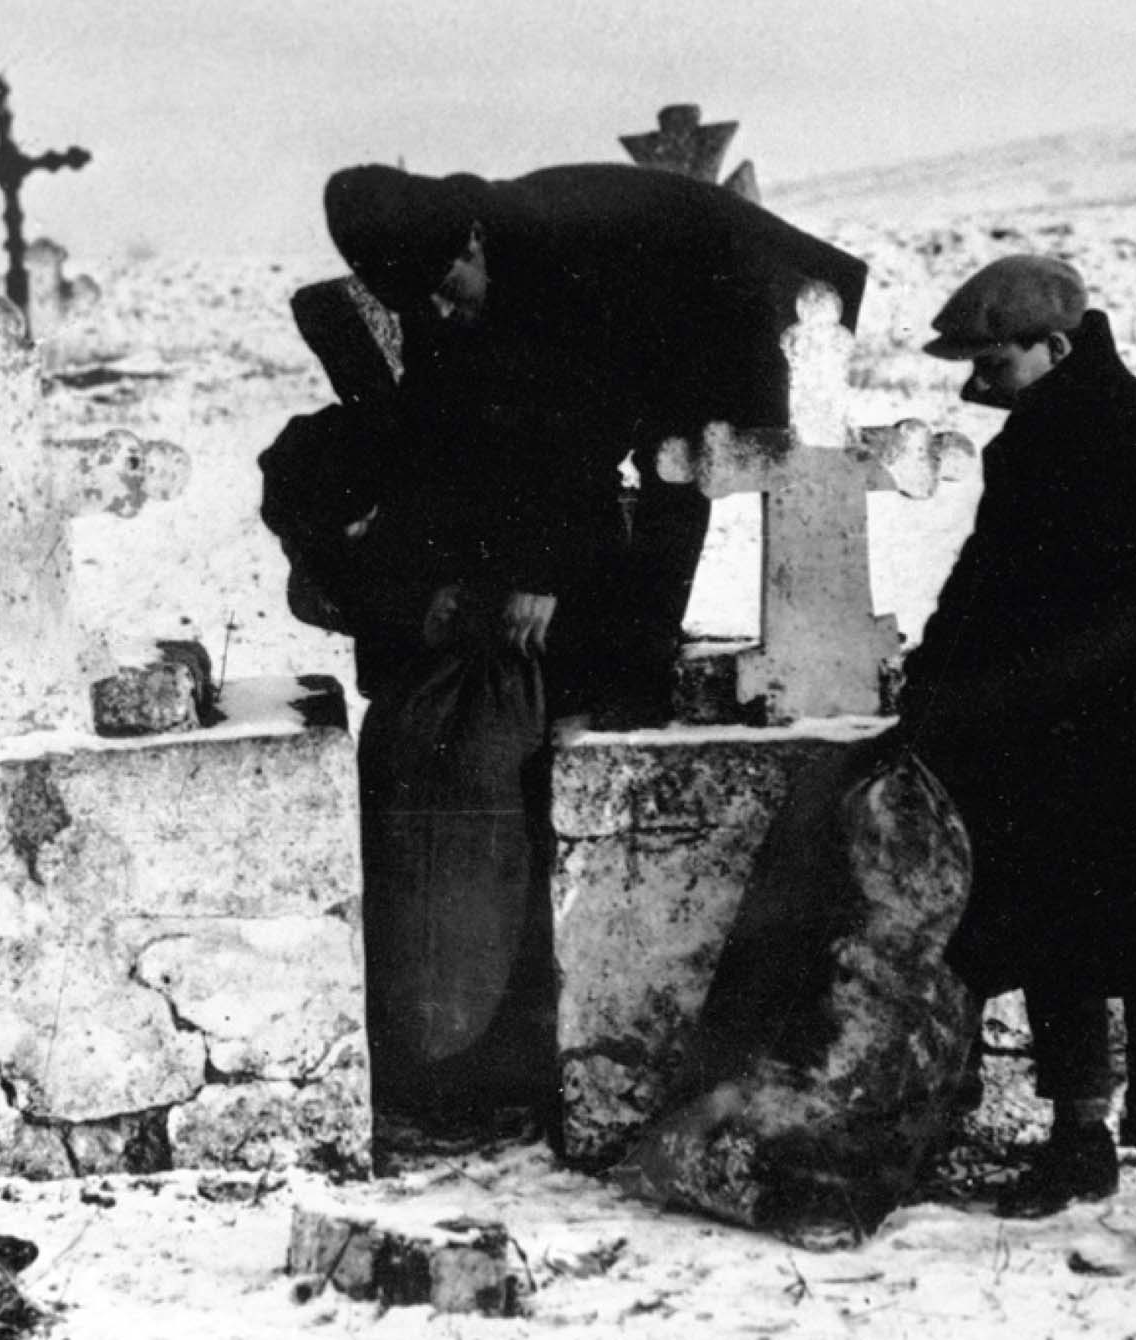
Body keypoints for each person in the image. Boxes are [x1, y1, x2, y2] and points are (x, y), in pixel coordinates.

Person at [270, 162, 867, 1143]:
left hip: (737, 299)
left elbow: (585, 419)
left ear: (469, 240)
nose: (433, 308)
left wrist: (539, 567)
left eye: (440, 285)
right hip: (635, 324)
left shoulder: (562, 264)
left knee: (677, 477)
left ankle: (627, 672)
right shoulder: (456, 269)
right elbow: (474, 419)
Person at [900, 255, 1136, 1254]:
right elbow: (983, 578)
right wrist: (931, 677)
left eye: (992, 360)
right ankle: (1076, 1139)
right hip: (1058, 734)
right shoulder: (1022, 448)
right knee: (1058, 938)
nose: (977, 384)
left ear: (1055, 346)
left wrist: (1037, 673)